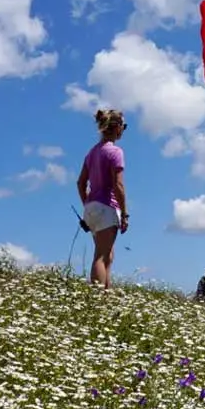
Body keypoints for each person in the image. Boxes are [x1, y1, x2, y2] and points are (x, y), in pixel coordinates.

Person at [76, 109, 128, 291]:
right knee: (101, 256)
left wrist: (88, 204)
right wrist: (125, 214)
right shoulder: (115, 152)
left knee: (108, 254)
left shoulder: (91, 153)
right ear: (117, 128)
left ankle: (106, 297)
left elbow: (80, 182)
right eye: (124, 126)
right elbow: (118, 185)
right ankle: (97, 302)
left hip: (91, 207)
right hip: (107, 206)